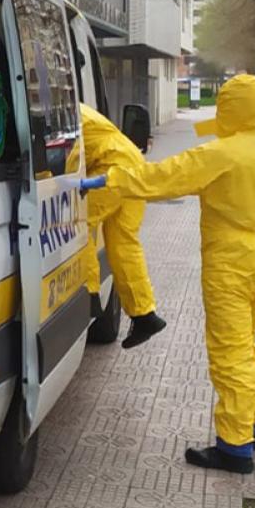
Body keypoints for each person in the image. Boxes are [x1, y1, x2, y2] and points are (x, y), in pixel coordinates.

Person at [81, 74, 255, 474]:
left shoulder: (219, 154)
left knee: (229, 351)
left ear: (228, 107)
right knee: (248, 342)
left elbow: (161, 178)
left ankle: (234, 446)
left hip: (229, 258)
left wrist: (112, 179)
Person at [68, 104, 167, 348]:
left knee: (79, 223)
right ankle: (144, 315)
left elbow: (65, 158)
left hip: (112, 167)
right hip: (134, 163)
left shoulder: (61, 109)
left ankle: (89, 294)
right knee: (124, 243)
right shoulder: (77, 106)